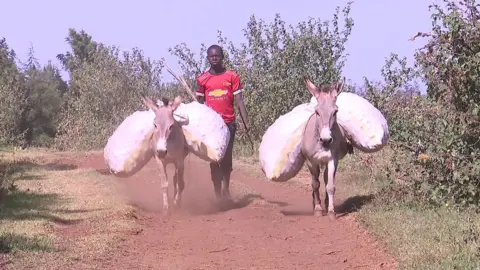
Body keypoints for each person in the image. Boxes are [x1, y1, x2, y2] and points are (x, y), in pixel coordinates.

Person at [195, 44, 249, 201]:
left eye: (217, 56)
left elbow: (239, 100)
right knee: (214, 158)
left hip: (228, 123)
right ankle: (217, 193)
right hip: (211, 127)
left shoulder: (232, 77)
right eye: (211, 56)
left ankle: (226, 189)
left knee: (226, 158)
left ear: (222, 57)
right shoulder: (202, 79)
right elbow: (198, 104)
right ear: (208, 58)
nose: (214, 58)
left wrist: (246, 121)